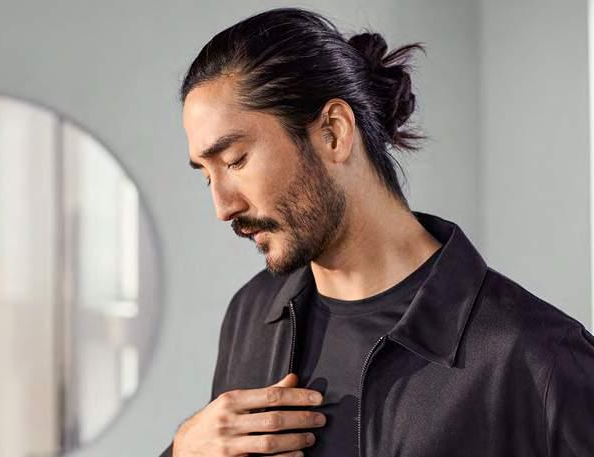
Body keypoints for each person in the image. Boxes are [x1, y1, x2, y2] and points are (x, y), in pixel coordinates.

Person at [161, 6, 594, 457]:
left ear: (333, 132)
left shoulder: (539, 359)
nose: (223, 207)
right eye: (207, 175)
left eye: (235, 161)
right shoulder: (251, 315)